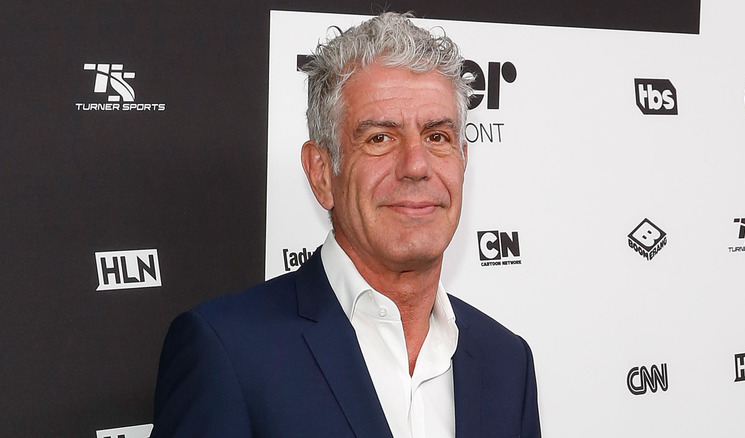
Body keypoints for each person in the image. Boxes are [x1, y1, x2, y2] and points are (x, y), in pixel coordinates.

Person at [151, 12, 541, 438]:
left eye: (437, 136)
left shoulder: (508, 362)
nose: (416, 165)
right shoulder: (228, 353)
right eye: (380, 138)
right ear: (322, 173)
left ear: (463, 160)